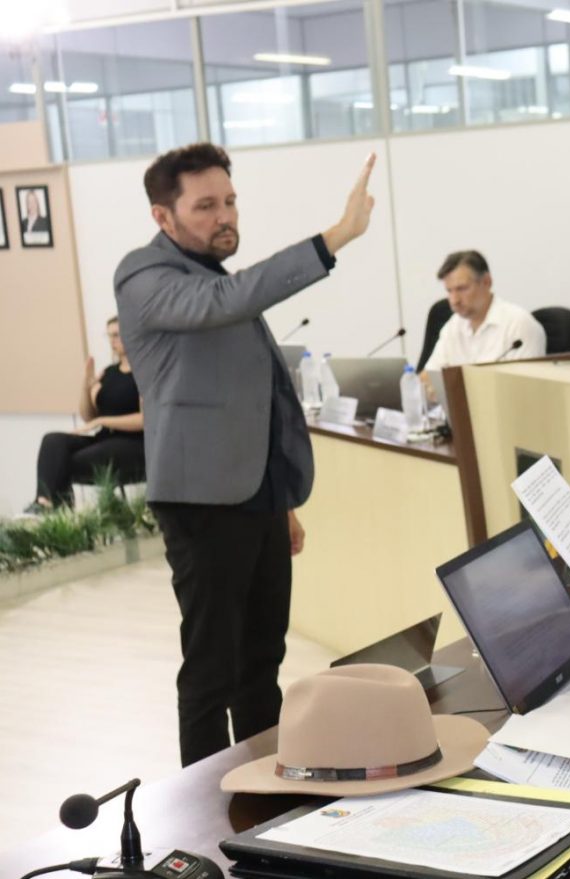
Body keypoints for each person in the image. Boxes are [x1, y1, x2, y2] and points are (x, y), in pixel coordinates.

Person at [114, 142, 376, 766]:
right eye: (205, 205)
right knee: (212, 667)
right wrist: (335, 236)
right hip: (199, 500)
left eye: (229, 201)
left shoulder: (213, 275)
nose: (224, 216)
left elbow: (255, 394)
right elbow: (227, 306)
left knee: (262, 660)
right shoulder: (146, 276)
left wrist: (279, 497)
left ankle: (267, 791)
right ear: (163, 217)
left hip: (255, 494)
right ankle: (200, 811)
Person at [25, 316, 145, 514]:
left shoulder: (143, 372)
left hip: (134, 442)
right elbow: (89, 416)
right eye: (109, 336)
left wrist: (102, 420)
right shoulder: (109, 373)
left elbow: (145, 420)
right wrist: (86, 385)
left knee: (68, 462)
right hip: (105, 438)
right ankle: (44, 503)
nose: (112, 341)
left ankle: (59, 515)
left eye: (117, 335)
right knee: (53, 441)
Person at [424, 250, 546, 371]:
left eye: (461, 289)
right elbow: (429, 377)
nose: (454, 300)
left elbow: (525, 386)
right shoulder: (453, 325)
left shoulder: (518, 325)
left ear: (486, 282)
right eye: (449, 291)